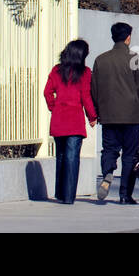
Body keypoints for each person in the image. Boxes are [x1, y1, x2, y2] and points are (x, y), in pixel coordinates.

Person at [91, 22, 139, 205]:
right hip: (132, 116)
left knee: (109, 150)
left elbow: (94, 89)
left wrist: (96, 112)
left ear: (113, 37)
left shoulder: (100, 60)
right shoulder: (136, 59)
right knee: (129, 155)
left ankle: (107, 173)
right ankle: (125, 194)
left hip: (109, 116)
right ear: (128, 37)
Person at [44, 39, 98, 205]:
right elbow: (86, 96)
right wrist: (92, 116)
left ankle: (60, 193)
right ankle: (68, 196)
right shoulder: (85, 72)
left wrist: (55, 107)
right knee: (72, 158)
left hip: (59, 118)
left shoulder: (56, 70)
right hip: (75, 119)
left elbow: (47, 92)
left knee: (61, 156)